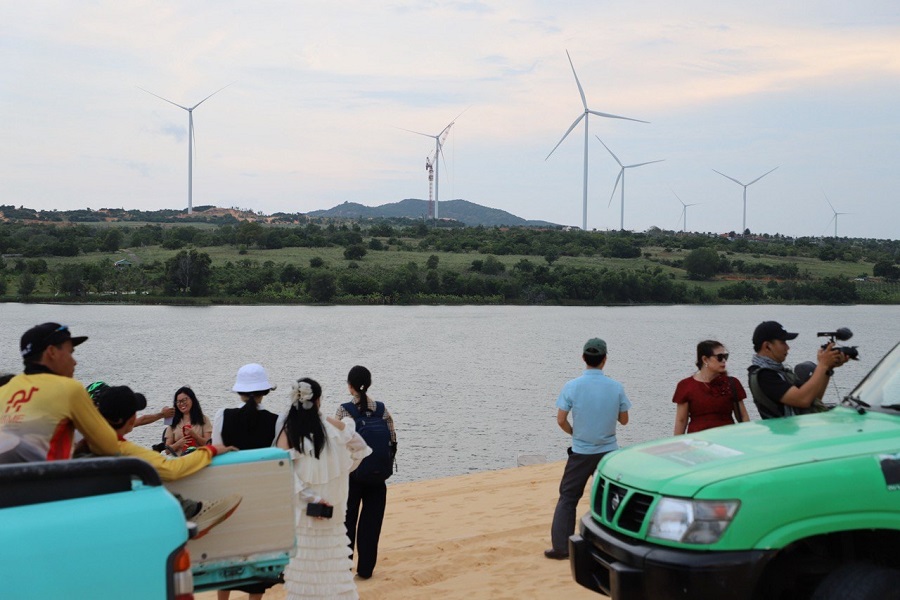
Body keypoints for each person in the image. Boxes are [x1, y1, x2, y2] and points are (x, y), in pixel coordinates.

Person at [86, 384, 243, 538]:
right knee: (147, 478)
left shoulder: (87, 438)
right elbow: (171, 469)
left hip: (99, 504)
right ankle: (195, 511)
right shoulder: (121, 447)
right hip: (120, 507)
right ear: (130, 419)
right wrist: (211, 450)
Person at [276, 377, 372, 599]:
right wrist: (345, 468)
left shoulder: (289, 431)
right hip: (333, 510)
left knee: (306, 569)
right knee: (333, 566)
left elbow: (282, 471)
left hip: (304, 514)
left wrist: (311, 498)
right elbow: (360, 448)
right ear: (318, 400)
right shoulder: (333, 428)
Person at [546, 338, 631, 560]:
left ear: (584, 358)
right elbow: (624, 420)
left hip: (581, 452)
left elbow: (561, 420)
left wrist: (574, 433)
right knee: (612, 498)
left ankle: (561, 548)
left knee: (568, 497)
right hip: (609, 452)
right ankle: (617, 546)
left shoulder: (572, 386)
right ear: (605, 359)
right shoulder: (616, 387)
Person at [0, 323, 118, 463]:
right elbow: (109, 446)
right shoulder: (69, 388)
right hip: (45, 475)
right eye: (70, 353)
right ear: (52, 352)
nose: (74, 362)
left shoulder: (4, 390)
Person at [214, 363, 280, 600]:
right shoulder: (276, 420)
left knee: (227, 557)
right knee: (257, 559)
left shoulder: (223, 416)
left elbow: (217, 454)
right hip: (261, 497)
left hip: (230, 495)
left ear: (240, 392)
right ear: (265, 391)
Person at [335, 365, 397, 580]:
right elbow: (393, 441)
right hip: (378, 476)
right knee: (372, 524)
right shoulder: (382, 410)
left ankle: (344, 569)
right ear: (368, 384)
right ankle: (366, 570)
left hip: (352, 476)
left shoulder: (344, 411)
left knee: (347, 522)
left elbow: (336, 443)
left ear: (350, 386)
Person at [747, 321, 849, 419]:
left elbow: (813, 399)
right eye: (783, 342)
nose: (787, 347)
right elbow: (803, 400)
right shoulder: (763, 375)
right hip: (784, 430)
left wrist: (828, 368)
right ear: (767, 346)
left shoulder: (779, 371)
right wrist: (823, 364)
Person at [672, 340, 750, 435]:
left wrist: (749, 438)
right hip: (698, 441)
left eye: (725, 356)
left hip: (727, 439)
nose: (724, 360)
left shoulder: (732, 383)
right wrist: (677, 443)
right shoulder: (685, 386)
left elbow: (743, 416)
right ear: (705, 359)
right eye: (720, 357)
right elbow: (681, 420)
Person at [165, 386, 212, 455]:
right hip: (179, 459)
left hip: (199, 458)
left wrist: (194, 436)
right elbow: (167, 450)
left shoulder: (204, 419)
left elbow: (209, 445)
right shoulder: (173, 421)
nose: (181, 404)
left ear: (192, 399)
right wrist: (178, 444)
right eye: (178, 402)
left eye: (184, 400)